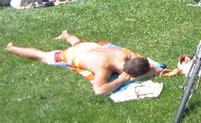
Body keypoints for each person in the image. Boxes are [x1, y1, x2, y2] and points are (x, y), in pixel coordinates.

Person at [5, 30, 157, 96]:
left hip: (88, 46)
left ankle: (65, 35)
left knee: (77, 42)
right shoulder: (104, 67)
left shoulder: (126, 54)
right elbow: (99, 91)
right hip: (69, 56)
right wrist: (123, 79)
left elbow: (152, 68)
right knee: (41, 56)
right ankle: (11, 48)